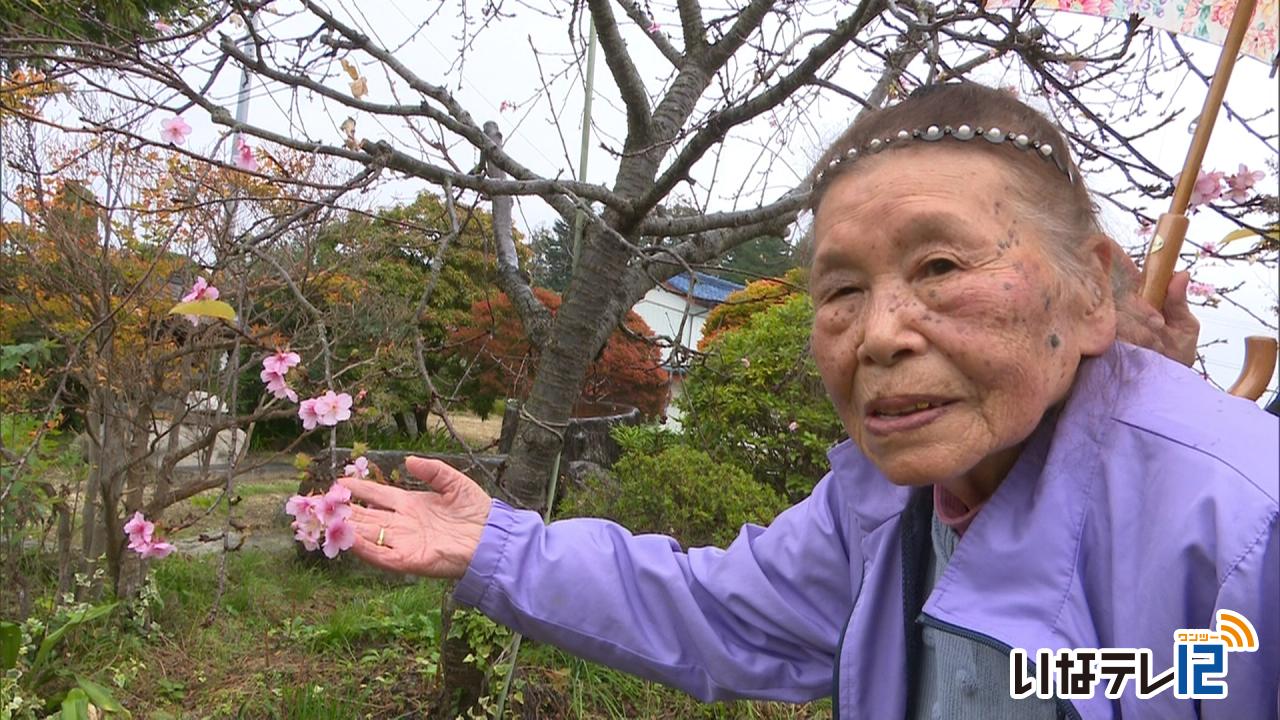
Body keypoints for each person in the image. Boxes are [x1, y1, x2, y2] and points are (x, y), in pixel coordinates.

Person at [337, 83, 1278, 719]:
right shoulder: (883, 504)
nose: (878, 333)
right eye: (840, 291)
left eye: (941, 265)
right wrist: (496, 545)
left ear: (1089, 288)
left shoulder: (1243, 533)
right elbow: (716, 612)